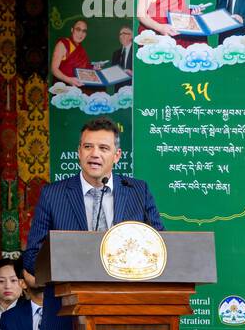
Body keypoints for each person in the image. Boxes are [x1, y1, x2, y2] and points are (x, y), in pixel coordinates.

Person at [22, 117, 164, 284]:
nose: (94, 154)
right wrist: (75, 269)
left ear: (116, 156)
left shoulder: (138, 192)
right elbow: (32, 257)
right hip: (68, 300)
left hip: (126, 297)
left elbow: (159, 245)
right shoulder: (52, 195)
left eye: (103, 148)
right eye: (88, 147)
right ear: (79, 152)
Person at [50, 19, 94, 87]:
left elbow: (83, 66)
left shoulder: (79, 47)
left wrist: (93, 67)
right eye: (78, 29)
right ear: (72, 30)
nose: (81, 34)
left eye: (84, 31)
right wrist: (68, 80)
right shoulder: (63, 44)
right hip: (63, 86)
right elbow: (54, 69)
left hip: (78, 85)